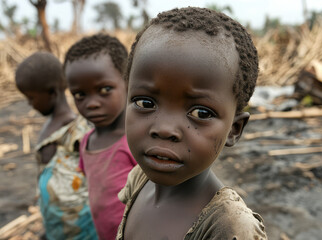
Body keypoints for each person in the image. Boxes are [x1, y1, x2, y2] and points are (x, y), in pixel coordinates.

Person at [116, 7, 268, 240]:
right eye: (145, 102)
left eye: (200, 112)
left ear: (234, 130)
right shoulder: (139, 180)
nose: (165, 129)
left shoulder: (230, 228)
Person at [15, 52, 96, 240]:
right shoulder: (51, 123)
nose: (29, 104)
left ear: (52, 92)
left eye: (32, 98)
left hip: (79, 225)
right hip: (57, 221)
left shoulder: (77, 131)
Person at [64, 33, 137, 240]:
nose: (92, 103)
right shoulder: (87, 142)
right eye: (80, 94)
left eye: (104, 90)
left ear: (128, 81)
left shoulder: (136, 141)